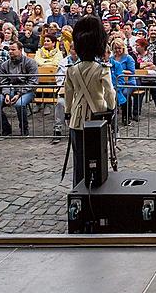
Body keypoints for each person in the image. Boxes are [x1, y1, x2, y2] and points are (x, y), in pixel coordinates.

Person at [64, 16, 117, 187]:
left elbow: (68, 94)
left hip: (76, 120)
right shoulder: (102, 69)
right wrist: (112, 108)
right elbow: (110, 93)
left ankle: (78, 188)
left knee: (79, 159)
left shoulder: (72, 70)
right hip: (98, 117)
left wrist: (67, 112)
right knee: (97, 157)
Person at [0, 42, 38, 136]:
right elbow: (4, 81)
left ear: (20, 50)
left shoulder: (30, 62)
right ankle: (6, 129)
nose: (10, 51)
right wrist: (6, 94)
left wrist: (19, 94)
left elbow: (33, 82)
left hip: (27, 90)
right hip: (10, 90)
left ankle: (24, 130)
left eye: (13, 49)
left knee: (19, 104)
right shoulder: (5, 65)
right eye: (9, 50)